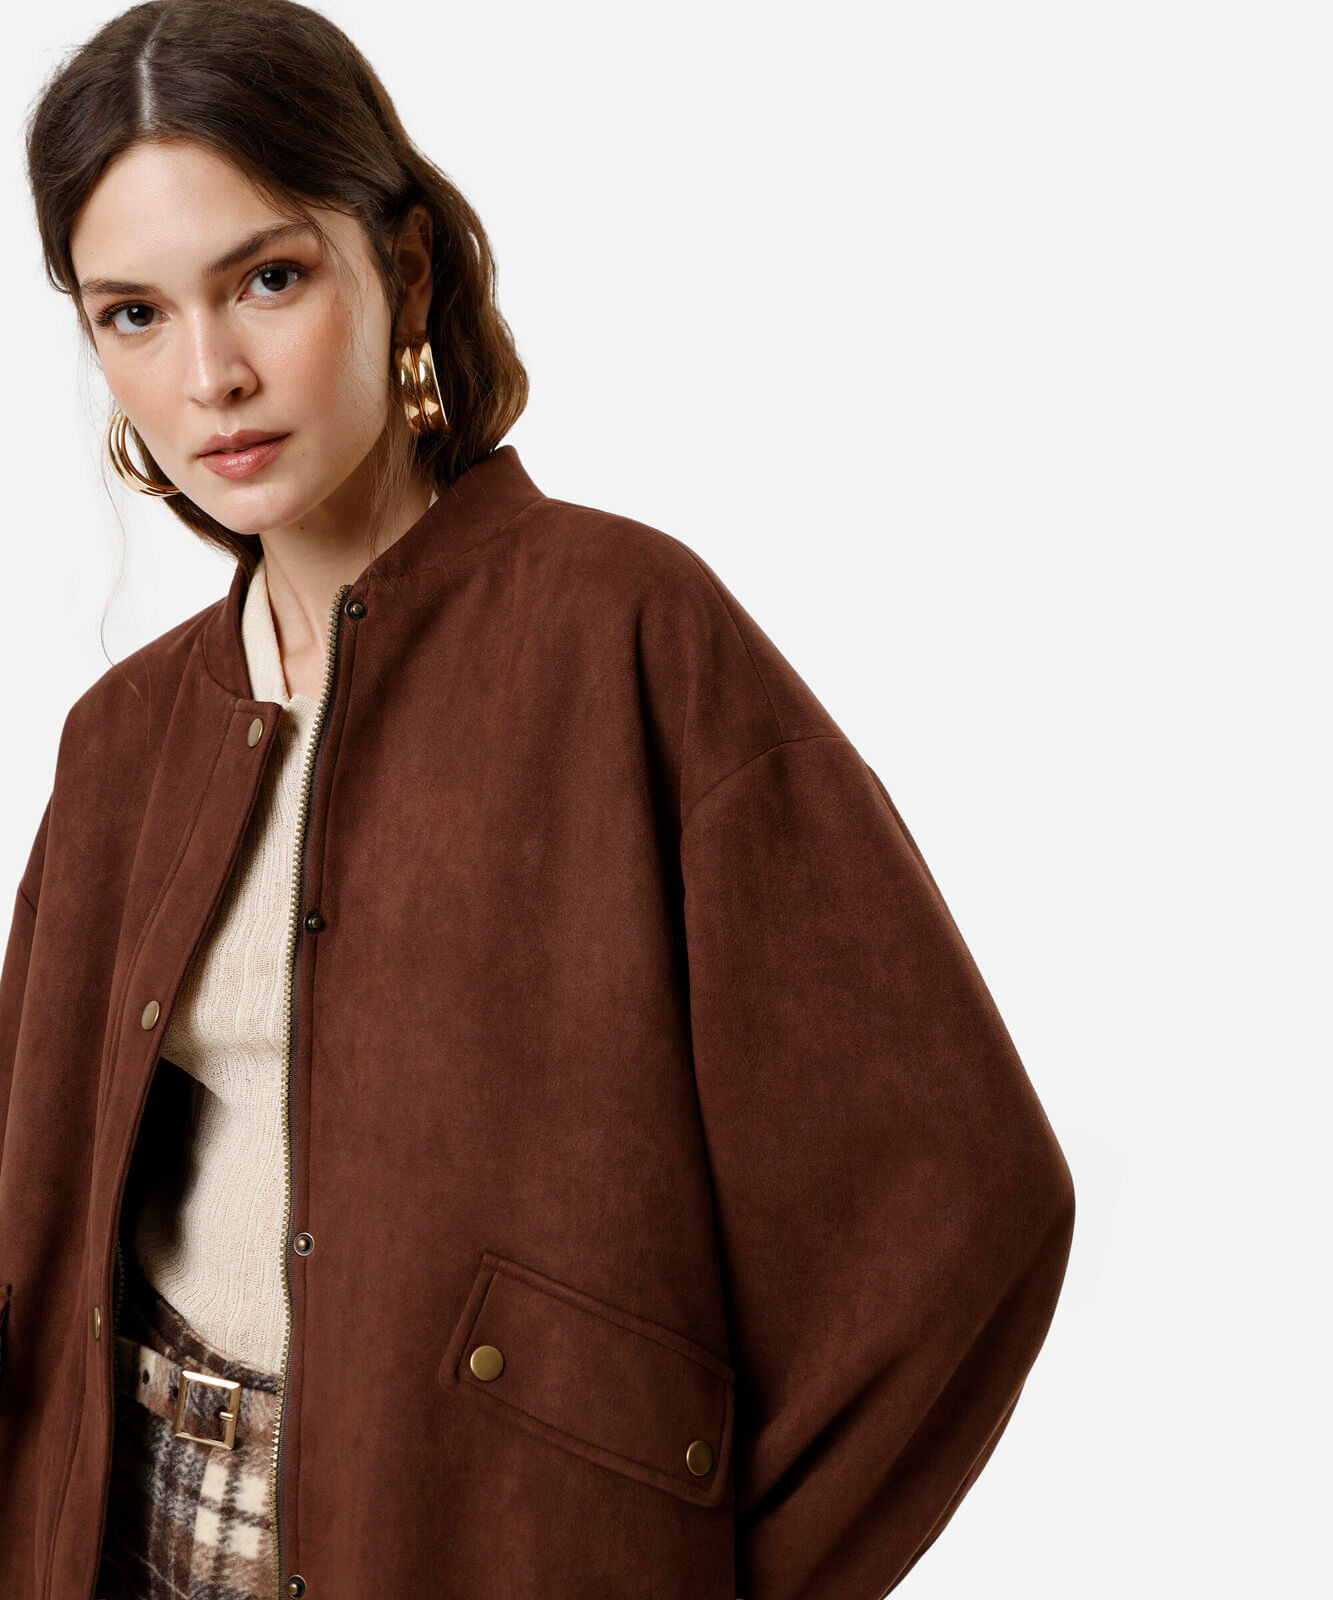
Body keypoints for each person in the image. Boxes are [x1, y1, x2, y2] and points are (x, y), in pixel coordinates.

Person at [0, 3, 1076, 1598]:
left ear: (404, 267)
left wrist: (708, 1569)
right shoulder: (125, 738)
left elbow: (961, 1205)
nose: (209, 375)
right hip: (134, 1526)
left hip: (472, 1541)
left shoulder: (628, 633)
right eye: (135, 315)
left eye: (269, 279)